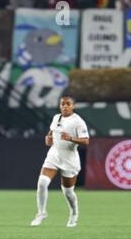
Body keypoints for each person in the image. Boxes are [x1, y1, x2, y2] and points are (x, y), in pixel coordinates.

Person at [30, 96, 89, 228]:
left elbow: (86, 141)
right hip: (54, 154)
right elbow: (52, 130)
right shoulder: (56, 117)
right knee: (42, 183)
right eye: (62, 104)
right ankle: (41, 213)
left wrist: (71, 138)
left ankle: (74, 214)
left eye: (68, 104)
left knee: (68, 192)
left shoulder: (78, 121)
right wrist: (48, 137)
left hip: (69, 159)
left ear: (73, 106)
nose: (65, 106)